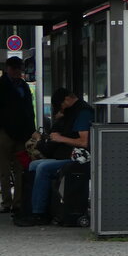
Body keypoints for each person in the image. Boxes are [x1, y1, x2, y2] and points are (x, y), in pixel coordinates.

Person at [14, 88, 93, 227]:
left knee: (43, 168)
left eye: (60, 105)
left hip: (78, 159)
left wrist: (59, 138)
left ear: (67, 99)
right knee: (34, 165)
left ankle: (39, 213)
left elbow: (84, 142)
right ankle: (30, 208)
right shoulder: (71, 112)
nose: (60, 109)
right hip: (66, 155)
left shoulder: (83, 112)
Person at [0, 56, 36, 214]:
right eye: (14, 68)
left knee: (21, 167)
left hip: (21, 133)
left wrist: (31, 130)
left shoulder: (24, 86)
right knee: (4, 168)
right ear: (8, 68)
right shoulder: (2, 85)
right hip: (4, 132)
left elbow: (29, 110)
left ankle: (18, 202)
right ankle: (7, 202)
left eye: (19, 69)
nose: (17, 72)